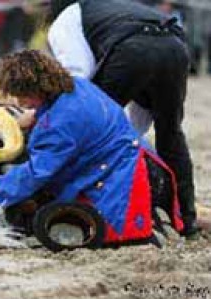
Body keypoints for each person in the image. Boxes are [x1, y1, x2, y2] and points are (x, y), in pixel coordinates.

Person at [0, 49, 183, 245]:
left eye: (22, 96)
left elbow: (37, 172)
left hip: (124, 180)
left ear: (35, 90)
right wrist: (37, 115)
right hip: (143, 163)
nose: (19, 103)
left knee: (46, 218)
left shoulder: (60, 125)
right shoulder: (77, 85)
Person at [47, 0, 198, 237]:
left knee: (92, 125)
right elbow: (139, 117)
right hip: (174, 48)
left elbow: (78, 77)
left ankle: (84, 200)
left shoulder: (66, 19)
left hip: (132, 50)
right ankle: (188, 222)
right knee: (171, 135)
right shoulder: (116, 7)